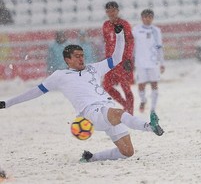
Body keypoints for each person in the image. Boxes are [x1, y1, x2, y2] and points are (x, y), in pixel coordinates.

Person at [0, 30, 164, 162]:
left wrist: (119, 35)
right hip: (91, 113)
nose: (81, 58)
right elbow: (34, 91)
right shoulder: (60, 75)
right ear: (67, 59)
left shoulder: (93, 68)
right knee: (119, 114)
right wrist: (8, 103)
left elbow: (116, 58)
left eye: (82, 55)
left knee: (127, 152)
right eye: (77, 56)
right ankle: (150, 127)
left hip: (106, 109)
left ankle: (91, 157)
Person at [102, 1, 135, 115]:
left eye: (113, 10)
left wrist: (128, 58)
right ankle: (125, 105)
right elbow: (107, 43)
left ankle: (130, 112)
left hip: (123, 61)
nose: (111, 13)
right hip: (111, 61)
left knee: (125, 87)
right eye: (109, 11)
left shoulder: (124, 24)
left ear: (117, 11)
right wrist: (106, 59)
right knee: (106, 86)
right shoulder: (106, 25)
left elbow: (130, 41)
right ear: (106, 12)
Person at [132, 9, 165, 116]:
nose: (147, 19)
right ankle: (143, 100)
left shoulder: (156, 31)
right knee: (141, 84)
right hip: (140, 62)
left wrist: (162, 62)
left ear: (152, 18)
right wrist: (130, 59)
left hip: (153, 62)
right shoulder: (136, 30)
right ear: (142, 18)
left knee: (154, 84)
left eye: (150, 17)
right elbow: (131, 45)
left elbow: (159, 47)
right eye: (145, 17)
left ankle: (153, 108)